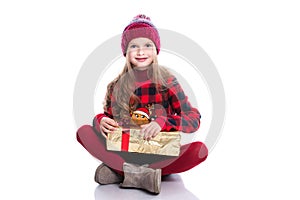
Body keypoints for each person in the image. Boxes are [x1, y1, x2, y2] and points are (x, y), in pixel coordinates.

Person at [76, 14, 208, 194]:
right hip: (124, 151)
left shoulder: (168, 82)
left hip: (157, 153)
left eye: (147, 45)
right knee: (84, 131)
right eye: (134, 46)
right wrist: (100, 121)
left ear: (156, 50)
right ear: (126, 52)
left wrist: (162, 122)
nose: (141, 52)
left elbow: (193, 119)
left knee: (199, 150)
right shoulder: (117, 86)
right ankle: (143, 176)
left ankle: (120, 172)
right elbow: (107, 117)